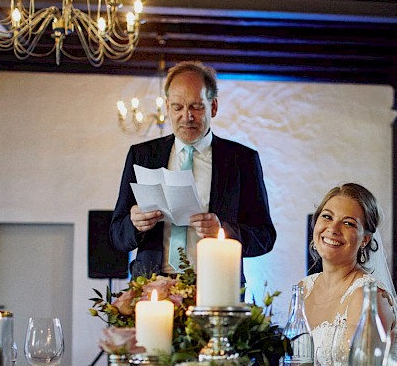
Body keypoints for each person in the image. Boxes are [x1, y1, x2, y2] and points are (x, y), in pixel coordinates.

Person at [109, 60, 276, 277]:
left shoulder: (242, 160)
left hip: (216, 285)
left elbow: (264, 237)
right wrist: (134, 223)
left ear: (213, 107)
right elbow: (116, 235)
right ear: (167, 106)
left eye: (196, 107)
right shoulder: (141, 155)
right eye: (178, 107)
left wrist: (223, 231)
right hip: (152, 287)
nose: (187, 117)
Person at [301, 183, 397, 363]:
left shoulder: (367, 296)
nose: (333, 229)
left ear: (365, 240)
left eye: (348, 223)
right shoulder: (302, 289)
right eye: (327, 217)